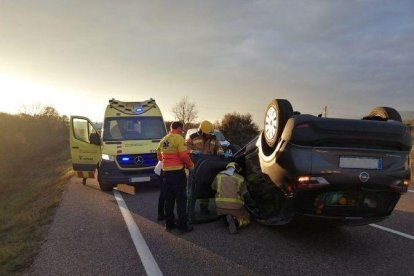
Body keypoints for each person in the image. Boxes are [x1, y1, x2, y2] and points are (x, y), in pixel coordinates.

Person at [157, 121, 195, 233]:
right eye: (182, 129)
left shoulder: (163, 140)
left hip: (166, 174)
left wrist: (168, 161)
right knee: (181, 200)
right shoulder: (178, 138)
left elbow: (159, 157)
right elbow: (184, 156)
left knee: (169, 200)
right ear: (178, 128)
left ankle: (169, 224)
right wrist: (191, 166)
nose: (182, 131)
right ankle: (182, 226)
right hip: (177, 173)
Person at [186, 120, 225, 215]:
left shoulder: (213, 138)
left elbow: (218, 147)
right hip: (196, 166)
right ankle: (190, 209)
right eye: (207, 133)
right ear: (202, 131)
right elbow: (185, 148)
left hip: (209, 166)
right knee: (194, 187)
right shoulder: (192, 137)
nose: (209, 135)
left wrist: (220, 151)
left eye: (210, 133)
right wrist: (192, 151)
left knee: (206, 186)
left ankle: (204, 208)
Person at [211, 162, 251, 234]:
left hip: (220, 207)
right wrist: (252, 204)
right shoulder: (240, 178)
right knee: (247, 218)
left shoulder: (219, 176)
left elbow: (213, 187)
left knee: (224, 211)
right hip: (235, 208)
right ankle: (236, 222)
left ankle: (225, 217)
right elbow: (245, 194)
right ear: (237, 169)